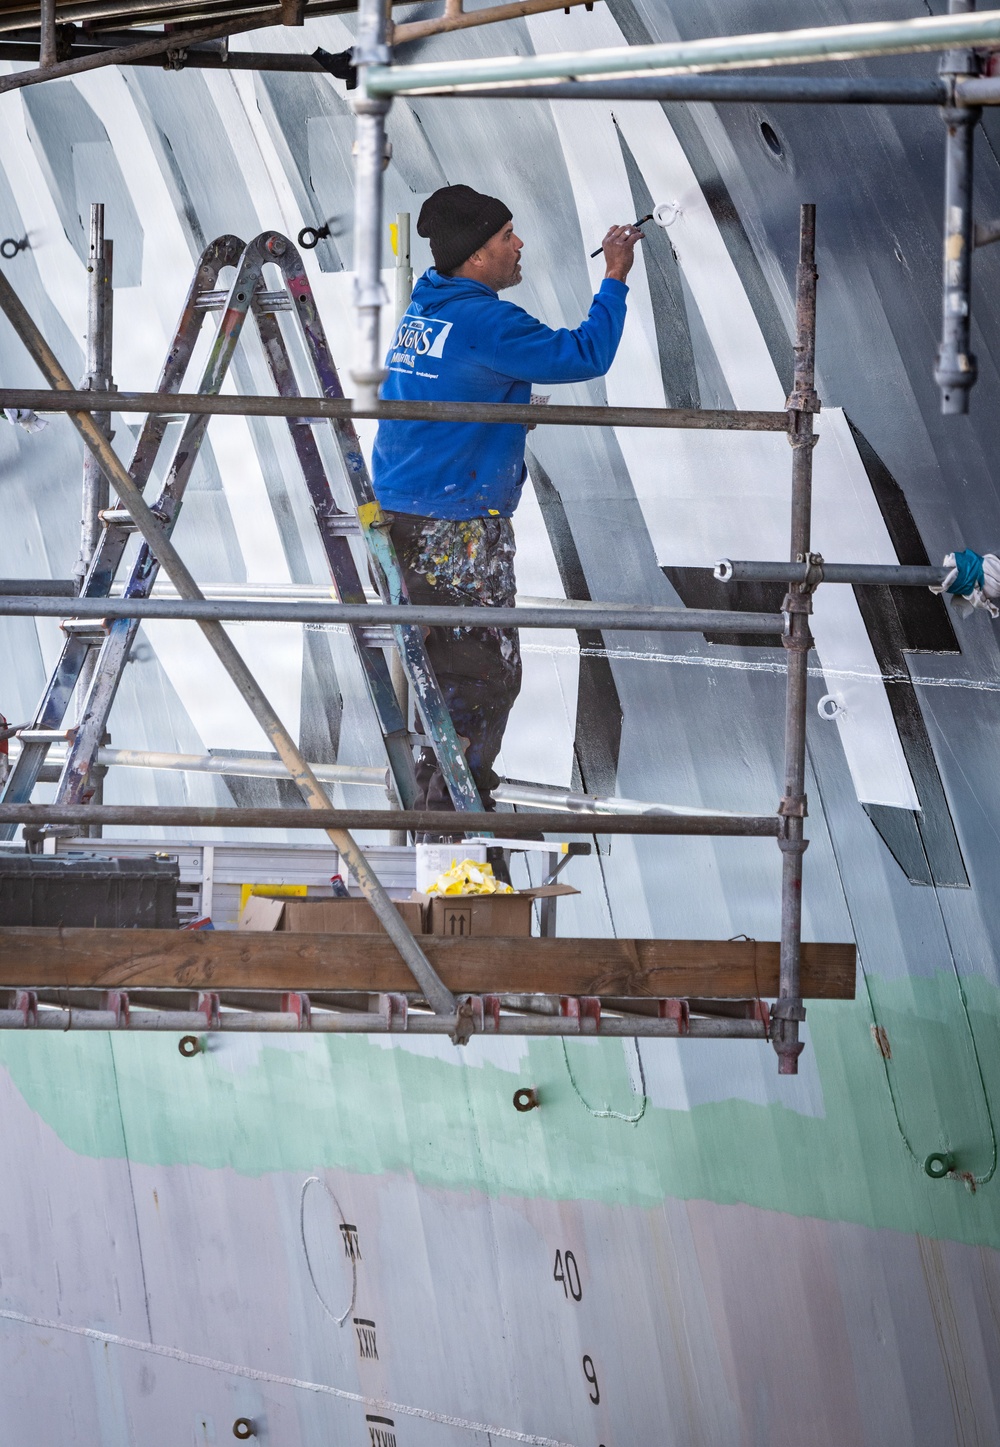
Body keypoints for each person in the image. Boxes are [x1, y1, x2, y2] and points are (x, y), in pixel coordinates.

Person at [371, 183, 640, 824]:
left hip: (402, 510)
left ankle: (436, 804)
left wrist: (510, 411)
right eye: (505, 238)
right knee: (484, 676)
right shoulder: (486, 319)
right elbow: (584, 354)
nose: (519, 246)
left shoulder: (428, 308)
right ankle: (452, 819)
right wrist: (616, 277)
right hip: (452, 524)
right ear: (475, 257)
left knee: (440, 672)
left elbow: (458, 382)